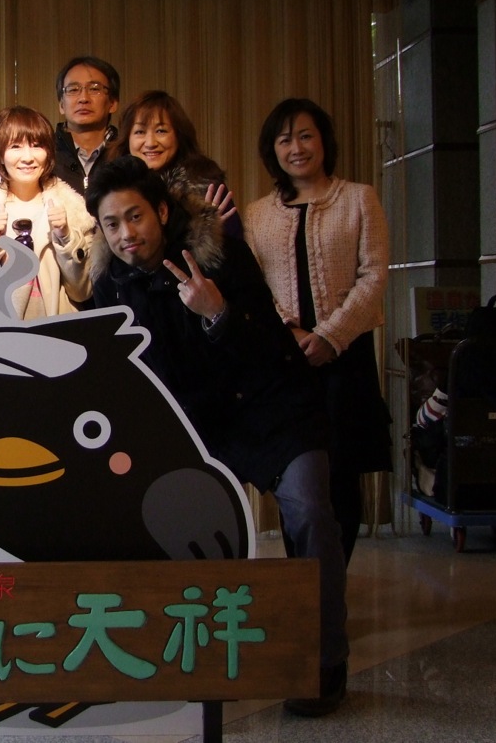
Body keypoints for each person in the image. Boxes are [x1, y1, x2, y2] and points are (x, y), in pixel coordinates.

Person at [85, 155, 349, 717]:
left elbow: (271, 348)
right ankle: (209, 658)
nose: (126, 234)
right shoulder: (111, 285)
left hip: (271, 409)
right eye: (112, 224)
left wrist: (218, 312)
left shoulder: (219, 254)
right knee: (185, 526)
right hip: (197, 426)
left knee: (308, 510)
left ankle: (323, 661)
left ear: (161, 211)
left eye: (135, 216)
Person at [244, 98, 392, 565]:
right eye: (285, 139)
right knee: (296, 475)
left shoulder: (360, 198)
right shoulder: (256, 214)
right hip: (285, 363)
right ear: (272, 150)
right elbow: (252, 286)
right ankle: (303, 580)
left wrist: (330, 336)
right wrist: (287, 331)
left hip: (347, 359)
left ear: (324, 141)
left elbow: (374, 276)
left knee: (341, 473)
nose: (297, 148)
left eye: (306, 136)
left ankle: (333, 582)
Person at [0, 106, 95, 319]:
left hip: (52, 331)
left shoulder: (72, 208)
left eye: (36, 146)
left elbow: (83, 291)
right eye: (15, 146)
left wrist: (66, 238)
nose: (28, 157)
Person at [104, 90, 236, 228]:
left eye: (161, 131)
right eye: (140, 132)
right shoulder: (113, 189)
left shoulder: (206, 186)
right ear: (127, 139)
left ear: (179, 135)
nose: (150, 143)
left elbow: (235, 240)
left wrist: (210, 233)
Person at [53, 56, 121, 193]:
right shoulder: (43, 154)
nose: (83, 98)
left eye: (94, 89)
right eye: (73, 90)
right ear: (61, 105)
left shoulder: (127, 153)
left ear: (113, 103)